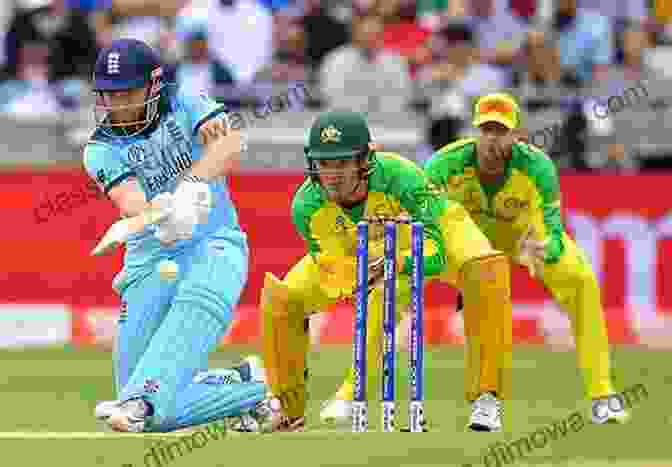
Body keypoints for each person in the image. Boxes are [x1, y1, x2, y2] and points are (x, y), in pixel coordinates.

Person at [261, 110, 513, 432]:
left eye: (342, 163)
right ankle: (288, 410)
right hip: (368, 253)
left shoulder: (401, 176)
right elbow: (334, 271)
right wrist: (365, 273)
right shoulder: (306, 206)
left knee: (486, 269)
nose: (332, 175)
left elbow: (434, 254)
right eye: (324, 164)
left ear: (365, 160)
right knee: (283, 299)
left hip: (438, 234)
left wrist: (397, 263)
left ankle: (486, 399)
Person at [84, 38, 270, 433]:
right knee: (145, 402)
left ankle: (148, 401)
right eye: (108, 95)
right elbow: (131, 201)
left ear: (153, 85)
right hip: (150, 257)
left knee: (142, 400)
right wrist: (162, 214)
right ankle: (245, 387)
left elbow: (230, 142)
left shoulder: (185, 101)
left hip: (214, 243)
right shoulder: (100, 149)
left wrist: (193, 183)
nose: (117, 105)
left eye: (127, 93)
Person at [425, 92, 628, 425]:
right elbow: (428, 221)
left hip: (527, 240)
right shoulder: (443, 164)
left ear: (516, 134)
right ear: (474, 130)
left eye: (501, 131)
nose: (492, 139)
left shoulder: (538, 167)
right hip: (469, 247)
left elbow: (554, 231)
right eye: (486, 129)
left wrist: (544, 249)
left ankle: (602, 394)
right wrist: (459, 264)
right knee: (487, 301)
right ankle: (487, 400)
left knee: (581, 281)